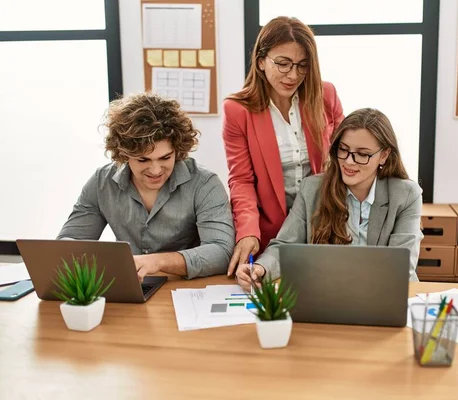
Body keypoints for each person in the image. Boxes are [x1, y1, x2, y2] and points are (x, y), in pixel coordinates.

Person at [235, 108, 424, 291]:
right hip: (325, 293)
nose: (349, 161)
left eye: (362, 154)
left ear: (383, 155)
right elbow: (284, 245)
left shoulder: (406, 195)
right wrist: (261, 268)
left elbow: (401, 265)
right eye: (344, 150)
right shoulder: (312, 189)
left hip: (382, 293)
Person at [57, 93, 235, 281]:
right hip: (131, 288)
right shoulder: (102, 183)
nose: (156, 170)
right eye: (143, 160)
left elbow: (221, 252)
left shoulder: (204, 183)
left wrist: (157, 262)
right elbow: (68, 243)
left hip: (185, 290)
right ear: (124, 154)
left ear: (178, 150)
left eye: (165, 158)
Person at [222, 16, 344, 277]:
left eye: (302, 66)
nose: (293, 75)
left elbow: (345, 156)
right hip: (271, 232)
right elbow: (241, 180)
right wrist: (247, 232)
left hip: (321, 225)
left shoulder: (325, 96)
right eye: (283, 64)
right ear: (261, 61)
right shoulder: (237, 110)